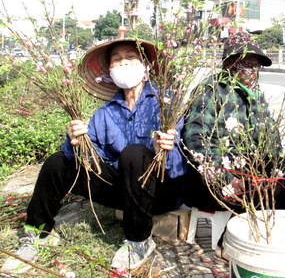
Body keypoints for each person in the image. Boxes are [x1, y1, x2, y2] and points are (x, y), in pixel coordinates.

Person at [1, 38, 186, 274]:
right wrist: (76, 141)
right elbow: (91, 159)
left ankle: (139, 242)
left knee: (135, 153)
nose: (124, 64)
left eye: (131, 57)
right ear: (109, 71)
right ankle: (38, 234)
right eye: (116, 60)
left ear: (146, 65)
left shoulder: (168, 104)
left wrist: (164, 152)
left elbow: (180, 167)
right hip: (124, 193)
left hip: (161, 191)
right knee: (58, 161)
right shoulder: (105, 113)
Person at [181, 31, 285, 258]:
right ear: (229, 63)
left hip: (251, 177)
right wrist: (226, 177)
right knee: (251, 179)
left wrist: (273, 170)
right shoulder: (211, 91)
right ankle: (232, 245)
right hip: (213, 182)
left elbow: (272, 141)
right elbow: (195, 141)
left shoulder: (256, 96)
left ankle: (264, 234)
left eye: (255, 65)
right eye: (245, 63)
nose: (251, 70)